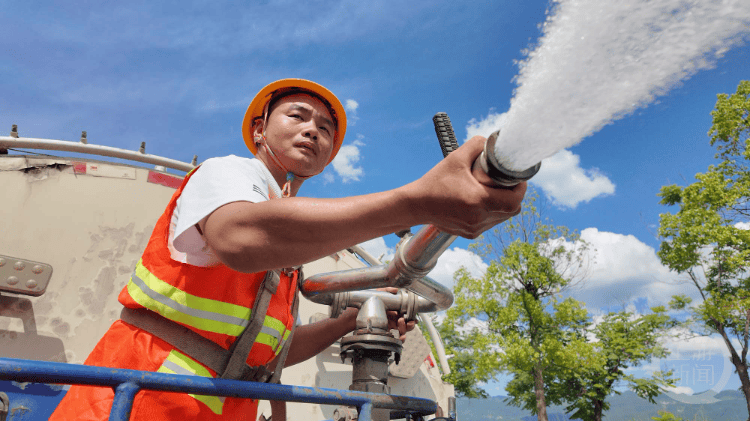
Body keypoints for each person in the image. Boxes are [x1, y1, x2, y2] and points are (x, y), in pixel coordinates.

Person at [50, 79, 527, 420]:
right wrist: (416, 203)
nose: (312, 130)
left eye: (325, 128)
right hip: (139, 399)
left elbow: (271, 353)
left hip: (218, 406)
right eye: (297, 116)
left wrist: (345, 324)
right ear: (259, 130)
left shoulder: (289, 237)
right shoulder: (228, 174)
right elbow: (239, 237)